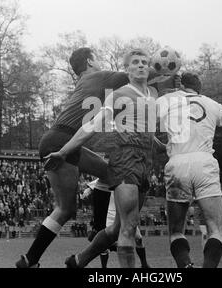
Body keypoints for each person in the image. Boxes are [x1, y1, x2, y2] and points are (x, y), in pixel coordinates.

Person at [16, 47, 179, 268]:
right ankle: (98, 226)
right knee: (97, 184)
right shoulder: (100, 77)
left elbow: (132, 124)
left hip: (57, 138)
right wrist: (166, 70)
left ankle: (31, 259)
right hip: (64, 139)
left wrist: (157, 144)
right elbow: (143, 75)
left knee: (81, 194)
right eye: (97, 58)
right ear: (91, 61)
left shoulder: (83, 83)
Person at [48, 48, 159, 268]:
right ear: (127, 69)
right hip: (125, 159)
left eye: (144, 62)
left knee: (117, 229)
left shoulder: (151, 97)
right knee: (129, 227)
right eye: (134, 62)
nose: (140, 65)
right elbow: (92, 124)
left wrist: (160, 146)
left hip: (146, 162)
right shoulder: (119, 95)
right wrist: (64, 151)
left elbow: (145, 131)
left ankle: (79, 261)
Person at [156, 72, 222, 268]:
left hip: (176, 163)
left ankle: (185, 265)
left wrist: (162, 146)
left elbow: (140, 127)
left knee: (176, 232)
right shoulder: (213, 104)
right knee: (216, 229)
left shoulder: (165, 101)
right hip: (204, 163)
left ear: (180, 85)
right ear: (198, 88)